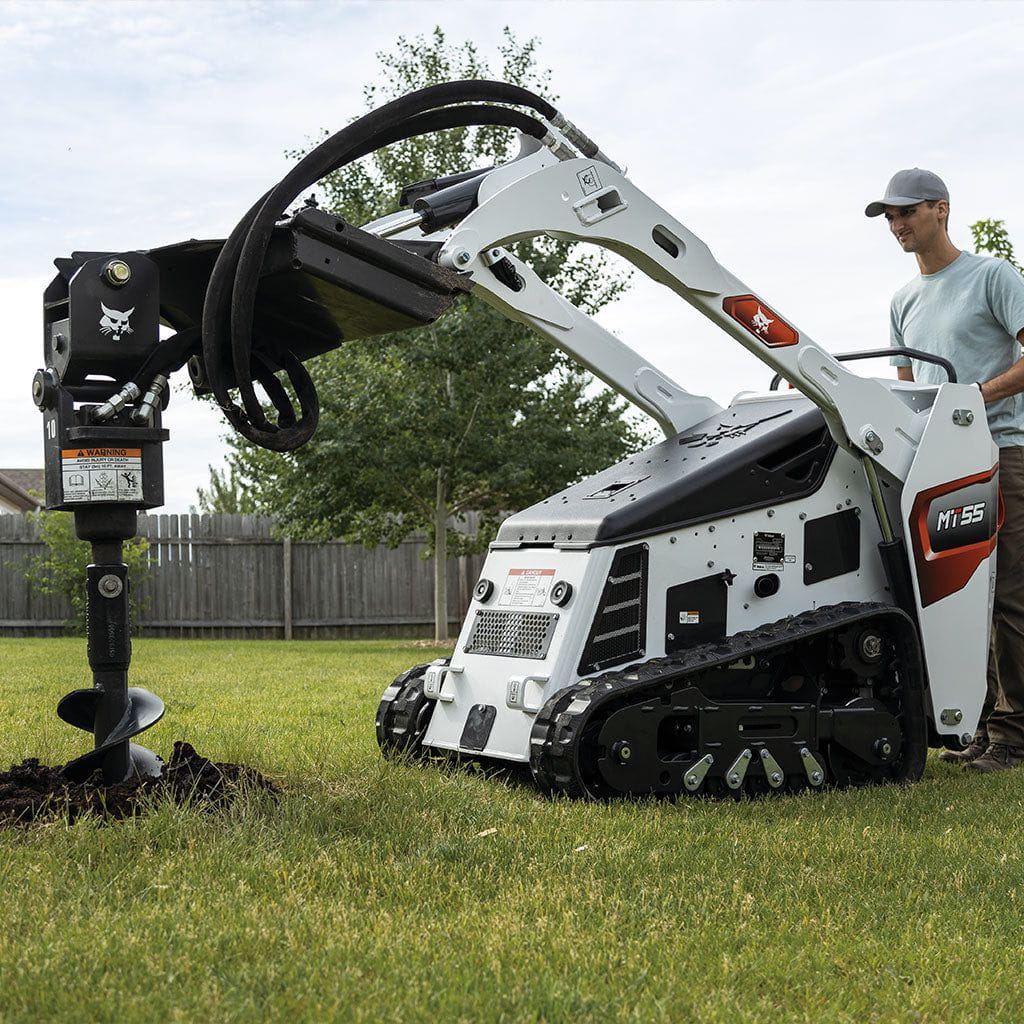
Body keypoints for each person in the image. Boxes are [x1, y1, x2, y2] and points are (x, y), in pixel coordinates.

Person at [866, 168, 1024, 772]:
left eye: (906, 212)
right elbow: (909, 394)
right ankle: (979, 725)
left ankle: (1014, 734)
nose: (896, 225)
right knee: (959, 594)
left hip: (1002, 452)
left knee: (1009, 593)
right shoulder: (902, 302)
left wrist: (977, 397)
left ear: (941, 209)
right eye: (889, 216)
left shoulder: (992, 276)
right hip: (939, 467)